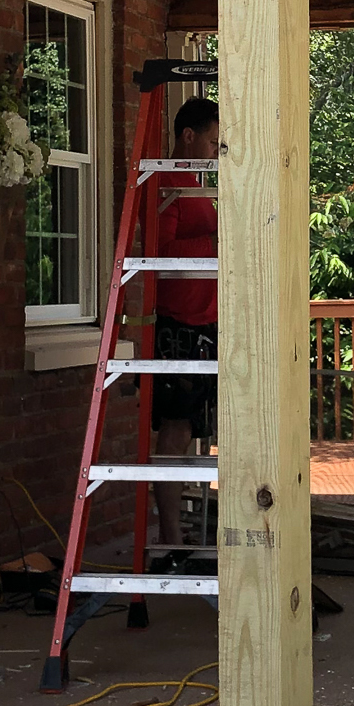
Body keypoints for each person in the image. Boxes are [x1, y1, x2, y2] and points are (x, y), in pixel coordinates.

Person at [151, 96, 218, 562]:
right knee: (174, 430)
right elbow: (160, 249)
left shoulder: (195, 184)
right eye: (212, 141)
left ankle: (194, 531)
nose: (217, 152)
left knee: (199, 429)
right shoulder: (165, 182)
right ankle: (171, 535)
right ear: (188, 136)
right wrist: (217, 239)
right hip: (179, 323)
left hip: (209, 319)